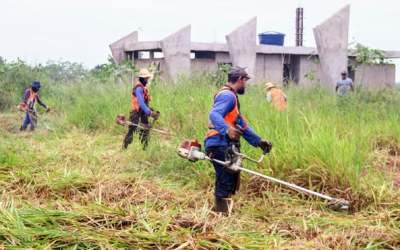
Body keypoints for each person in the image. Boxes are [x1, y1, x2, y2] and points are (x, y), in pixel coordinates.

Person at [204, 66, 273, 215]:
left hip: (223, 144)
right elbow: (214, 114)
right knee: (225, 180)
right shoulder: (228, 96)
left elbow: (242, 125)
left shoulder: (232, 99)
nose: (245, 85)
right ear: (240, 79)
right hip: (219, 143)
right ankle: (221, 217)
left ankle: (223, 214)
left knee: (230, 180)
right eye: (245, 81)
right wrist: (227, 130)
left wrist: (259, 142)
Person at [123, 68, 160, 150]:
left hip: (143, 113)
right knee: (132, 129)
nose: (147, 80)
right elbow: (141, 103)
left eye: (147, 78)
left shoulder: (144, 88)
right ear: (142, 78)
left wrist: (152, 111)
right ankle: (124, 147)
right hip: (135, 113)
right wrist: (149, 112)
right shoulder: (138, 88)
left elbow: (145, 103)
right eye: (146, 78)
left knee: (145, 129)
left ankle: (145, 148)